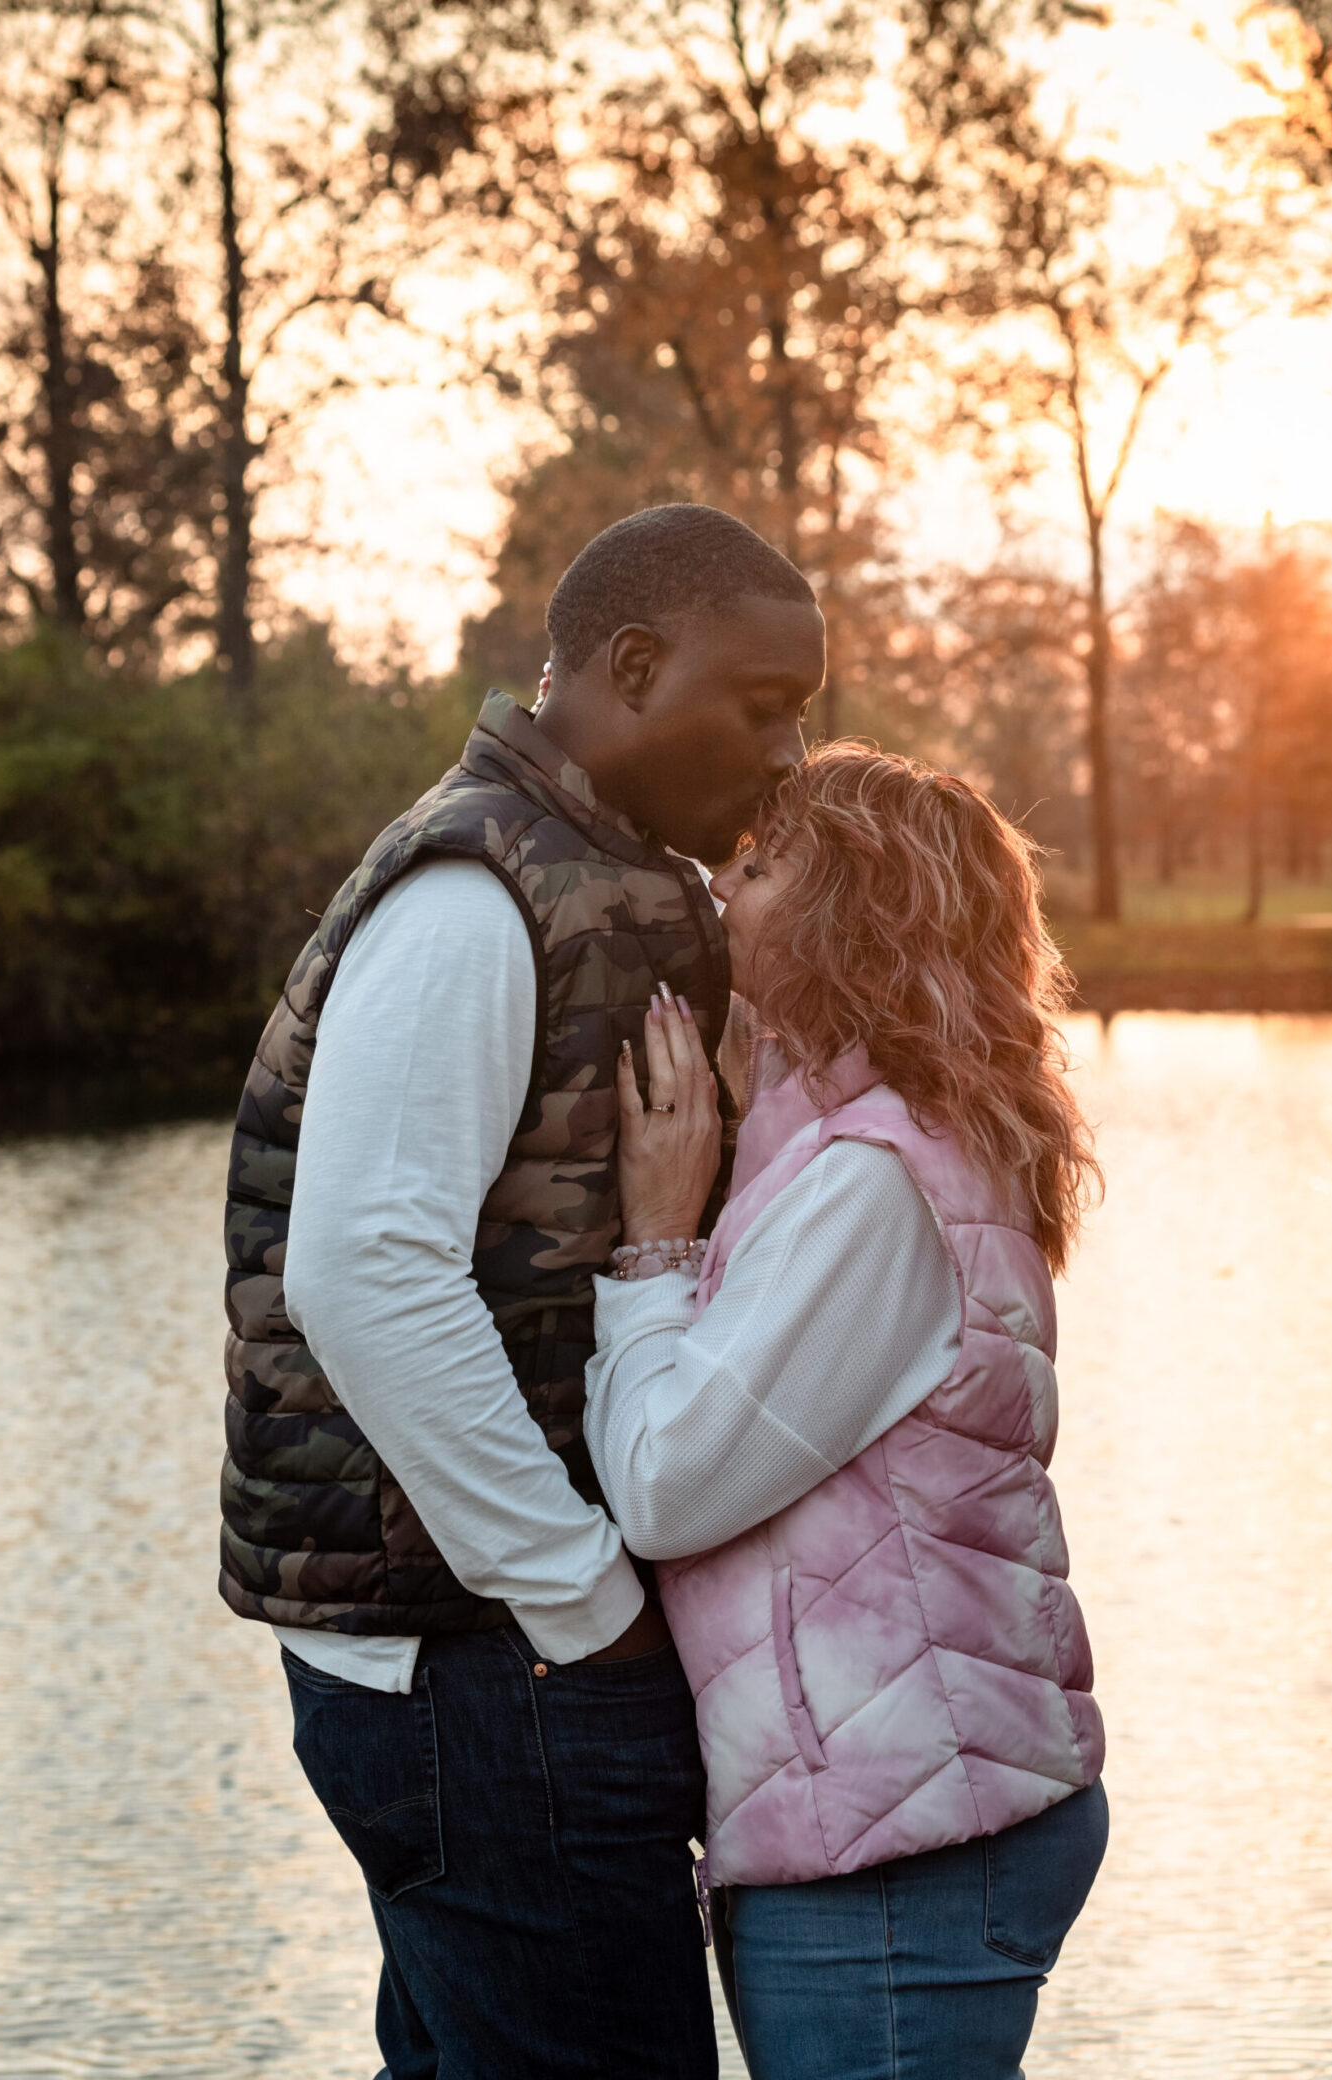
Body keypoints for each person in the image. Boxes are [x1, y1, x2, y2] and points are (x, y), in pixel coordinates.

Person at [217, 503, 825, 2080]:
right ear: (634, 666)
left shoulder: (608, 876)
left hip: (504, 1659)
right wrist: (582, 1600)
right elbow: (362, 1275)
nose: (790, 754)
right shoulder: (468, 898)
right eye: (767, 707)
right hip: (483, 1668)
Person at [583, 745, 1109, 2080]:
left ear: (850, 917)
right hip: (899, 1807)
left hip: (898, 1842)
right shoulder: (865, 1144)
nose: (721, 888)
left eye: (761, 869)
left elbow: (663, 1486)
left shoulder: (875, 1185)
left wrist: (649, 1251)